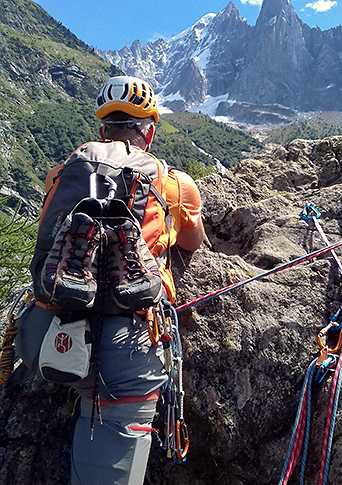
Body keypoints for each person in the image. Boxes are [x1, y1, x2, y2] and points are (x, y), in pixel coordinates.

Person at [15, 76, 205, 485]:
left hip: (47, 332)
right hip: (127, 350)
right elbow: (193, 241)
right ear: (149, 131)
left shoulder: (60, 174)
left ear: (102, 130)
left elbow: (46, 240)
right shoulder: (174, 183)